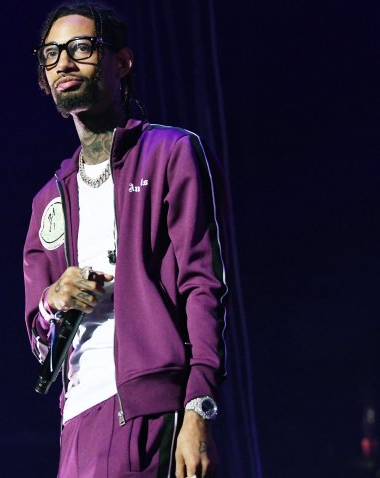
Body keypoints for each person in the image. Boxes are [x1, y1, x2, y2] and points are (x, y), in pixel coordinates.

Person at [22, 3, 229, 477]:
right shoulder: (48, 201)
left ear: (121, 62)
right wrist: (54, 300)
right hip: (76, 421)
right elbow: (38, 341)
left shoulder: (171, 153)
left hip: (151, 407)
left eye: (81, 48)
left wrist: (199, 406)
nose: (64, 64)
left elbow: (204, 286)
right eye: (51, 55)